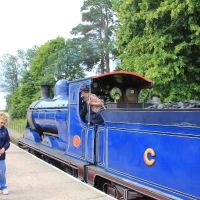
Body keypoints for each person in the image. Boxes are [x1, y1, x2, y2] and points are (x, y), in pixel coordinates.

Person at [0, 112, 10, 195]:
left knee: (2, 171)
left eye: (4, 123)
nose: (2, 124)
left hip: (1, 154)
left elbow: (7, 142)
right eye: (1, 122)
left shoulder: (5, 130)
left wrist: (4, 148)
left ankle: (3, 187)